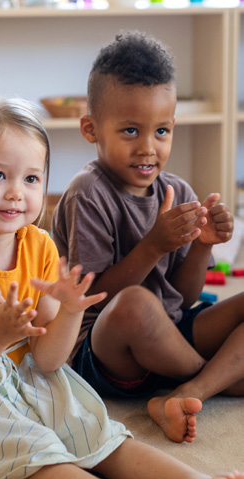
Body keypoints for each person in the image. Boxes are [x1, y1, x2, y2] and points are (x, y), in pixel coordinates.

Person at [0, 94, 244, 479]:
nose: (16, 193)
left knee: (96, 432)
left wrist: (68, 312)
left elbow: (47, 360)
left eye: (31, 179)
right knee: (39, 454)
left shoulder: (40, 246)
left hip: (27, 373)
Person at [51, 30, 244, 445]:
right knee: (136, 305)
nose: (148, 148)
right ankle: (214, 378)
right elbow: (94, 299)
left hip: (170, 335)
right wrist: (154, 244)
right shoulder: (88, 193)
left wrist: (202, 245)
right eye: (130, 131)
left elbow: (183, 299)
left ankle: (189, 392)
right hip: (103, 349)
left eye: (161, 132)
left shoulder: (179, 192)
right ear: (91, 128)